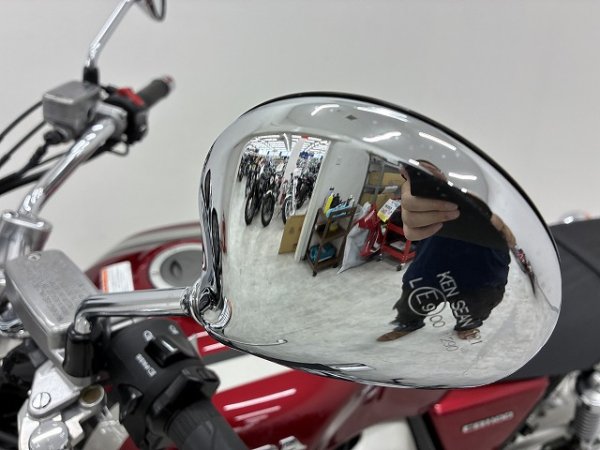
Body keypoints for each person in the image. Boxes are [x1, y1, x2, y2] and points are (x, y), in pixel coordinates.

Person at [377, 162, 514, 342]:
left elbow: (514, 241)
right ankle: (407, 323)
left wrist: (503, 225)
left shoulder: (506, 191)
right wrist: (417, 194)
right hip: (434, 258)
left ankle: (467, 325)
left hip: (483, 266)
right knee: (415, 295)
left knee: (476, 302)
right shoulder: (436, 191)